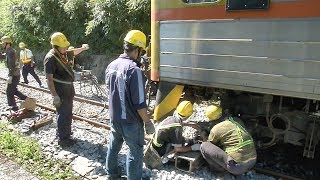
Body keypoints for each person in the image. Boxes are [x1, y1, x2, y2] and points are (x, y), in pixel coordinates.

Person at [105, 30, 155, 180]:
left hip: (115, 117)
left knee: (114, 146)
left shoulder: (111, 65)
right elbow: (139, 104)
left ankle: (112, 174)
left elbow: (110, 92)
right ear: (138, 50)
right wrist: (147, 121)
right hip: (131, 122)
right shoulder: (134, 70)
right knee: (135, 151)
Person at [44, 32, 89, 147]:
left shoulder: (63, 53)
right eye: (63, 46)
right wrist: (54, 95)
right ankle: (63, 139)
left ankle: (66, 133)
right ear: (56, 46)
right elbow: (49, 80)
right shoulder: (50, 58)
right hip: (60, 90)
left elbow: (73, 52)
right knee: (63, 114)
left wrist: (83, 48)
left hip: (68, 88)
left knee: (68, 113)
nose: (65, 47)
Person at [200, 105, 257, 175]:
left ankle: (219, 170)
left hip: (237, 168)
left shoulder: (216, 128)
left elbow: (210, 144)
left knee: (204, 146)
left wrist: (204, 136)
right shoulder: (236, 120)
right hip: (252, 162)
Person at [1, 36, 28, 112]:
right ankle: (26, 99)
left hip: (14, 75)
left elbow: (12, 65)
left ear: (8, 44)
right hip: (15, 74)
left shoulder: (11, 52)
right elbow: (3, 57)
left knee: (9, 91)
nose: (2, 45)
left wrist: (10, 76)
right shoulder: (8, 51)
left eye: (3, 43)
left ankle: (14, 107)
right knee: (13, 90)